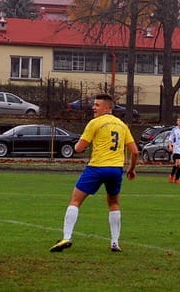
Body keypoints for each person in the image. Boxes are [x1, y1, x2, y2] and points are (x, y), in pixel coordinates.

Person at [50, 93, 138, 253]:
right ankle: (114, 242)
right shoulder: (122, 125)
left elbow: (79, 148)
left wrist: (78, 144)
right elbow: (135, 152)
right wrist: (131, 169)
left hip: (96, 168)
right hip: (116, 170)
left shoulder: (95, 123)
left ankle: (67, 237)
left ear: (107, 108)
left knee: (75, 201)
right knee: (113, 203)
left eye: (97, 105)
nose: (93, 107)